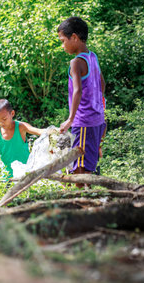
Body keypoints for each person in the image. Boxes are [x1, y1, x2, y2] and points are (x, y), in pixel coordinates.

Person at [57, 17, 106, 184]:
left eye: (63, 41)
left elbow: (77, 90)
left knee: (79, 169)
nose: (62, 45)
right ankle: (89, 200)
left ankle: (82, 202)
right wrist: (99, 106)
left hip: (84, 122)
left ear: (75, 38)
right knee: (88, 166)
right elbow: (102, 84)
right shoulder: (93, 57)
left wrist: (70, 119)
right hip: (97, 120)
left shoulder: (76, 62)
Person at [0, 99, 50, 179]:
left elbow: (38, 131)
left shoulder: (21, 127)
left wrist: (53, 131)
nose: (1, 123)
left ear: (12, 113)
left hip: (26, 172)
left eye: (4, 119)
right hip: (7, 176)